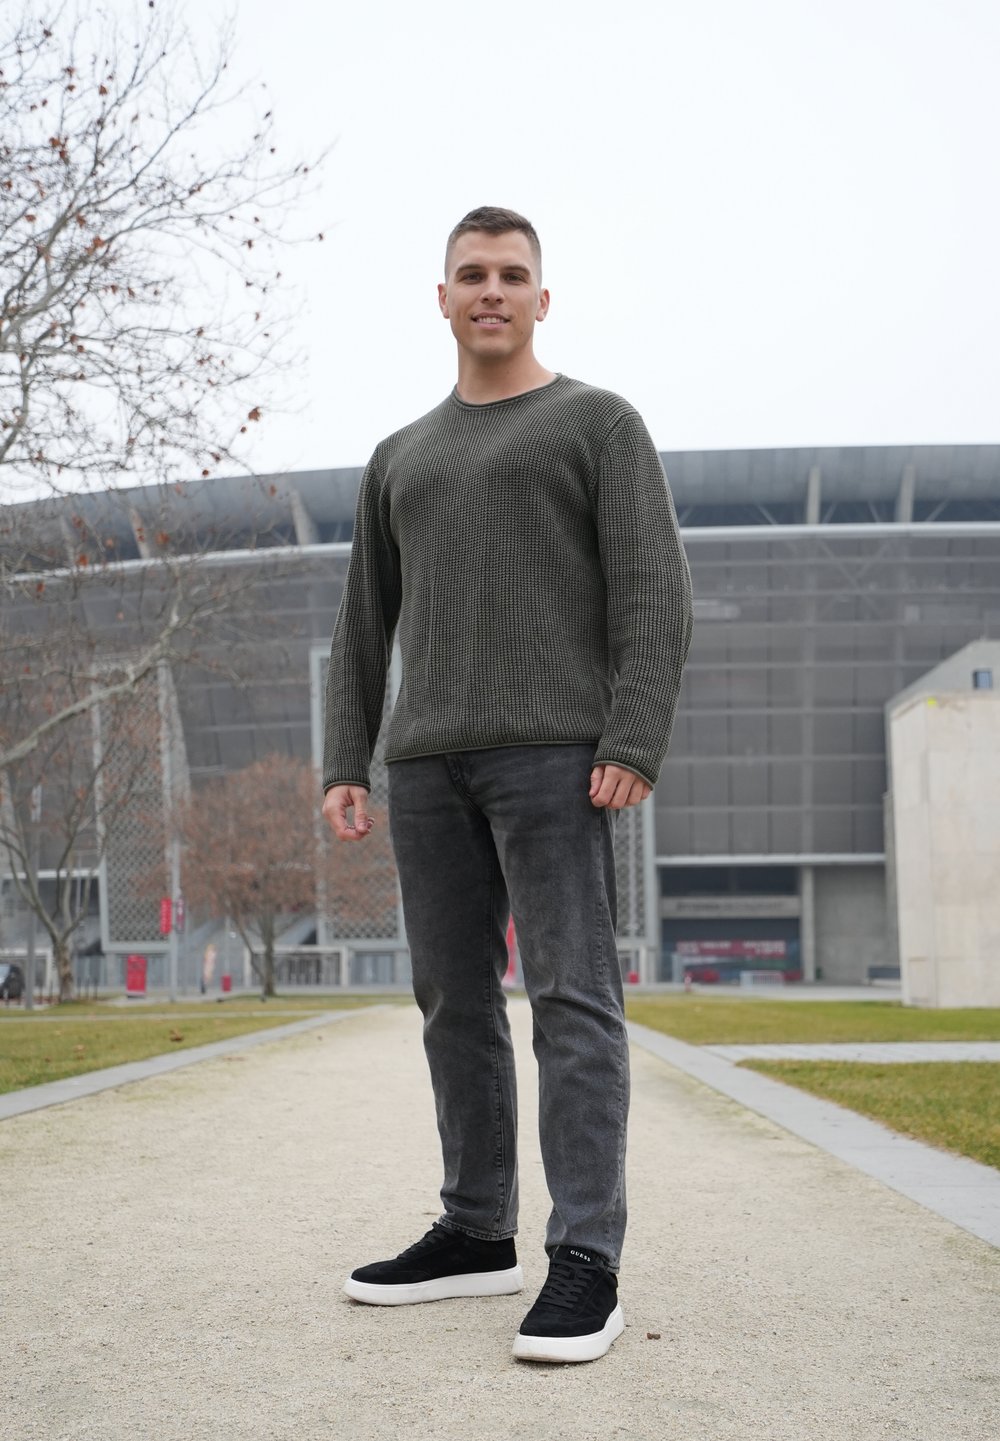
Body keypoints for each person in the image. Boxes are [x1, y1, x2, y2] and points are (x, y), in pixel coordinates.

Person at [322, 206, 692, 1364]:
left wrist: (630, 737)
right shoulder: (399, 456)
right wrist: (348, 760)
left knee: (573, 1000)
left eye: (512, 274)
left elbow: (652, 594)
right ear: (441, 299)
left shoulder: (596, 422)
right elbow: (360, 626)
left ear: (543, 297)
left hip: (555, 759)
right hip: (427, 762)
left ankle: (586, 1257)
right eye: (470, 273)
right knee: (453, 1002)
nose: (491, 289)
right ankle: (475, 1229)